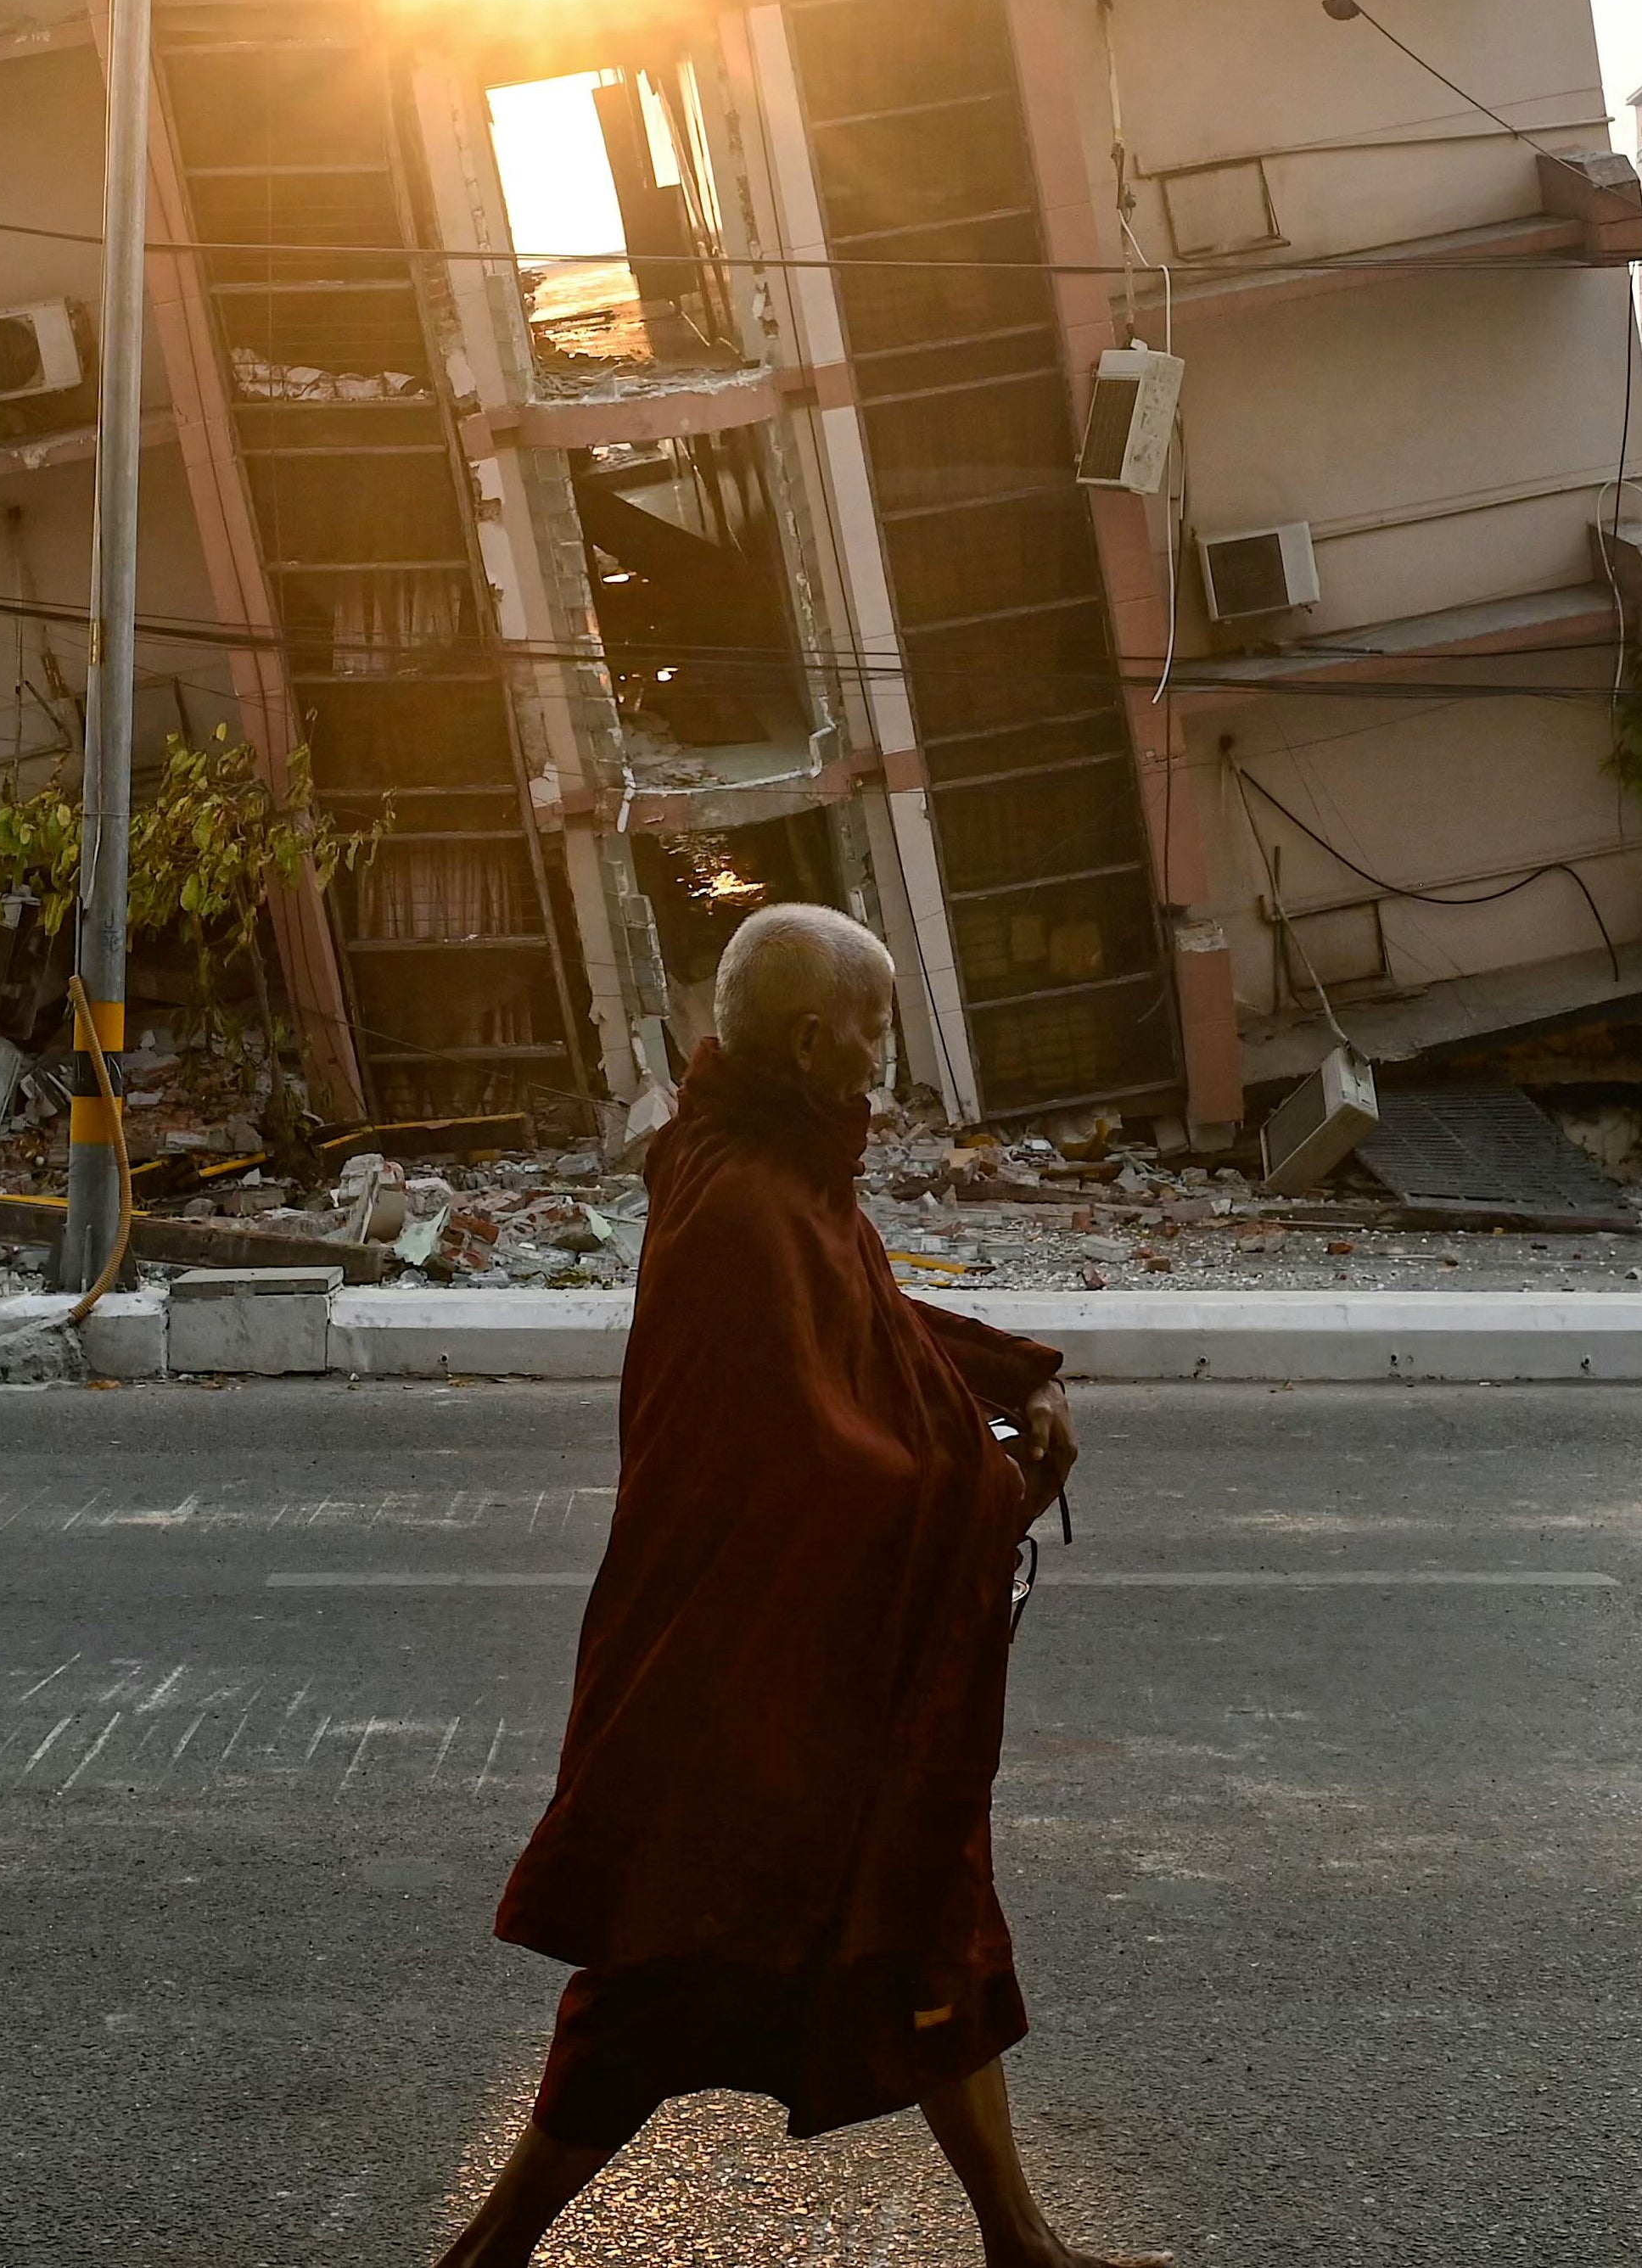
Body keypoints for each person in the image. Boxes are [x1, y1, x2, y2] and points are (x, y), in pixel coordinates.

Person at [435, 903, 1159, 2268]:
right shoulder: (743, 1207)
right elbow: (825, 1467)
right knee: (666, 1979)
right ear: (818, 1037)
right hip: (743, 1688)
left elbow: (866, 1320)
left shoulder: (768, 1160)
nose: (888, 1059)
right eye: (878, 1026)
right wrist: (1004, 1489)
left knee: (931, 1937)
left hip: (801, 1677)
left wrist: (1011, 1372)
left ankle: (1021, 2244)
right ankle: (486, 2254)